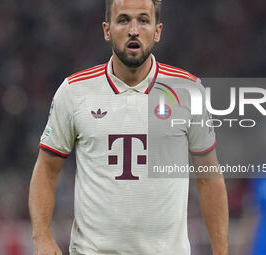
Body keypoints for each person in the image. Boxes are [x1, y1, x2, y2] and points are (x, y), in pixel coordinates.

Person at [29, 0, 229, 254]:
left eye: (143, 20)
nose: (133, 30)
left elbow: (209, 177)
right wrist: (42, 237)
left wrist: (222, 251)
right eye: (123, 20)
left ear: (157, 31)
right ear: (107, 29)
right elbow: (46, 169)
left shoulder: (188, 91)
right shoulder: (74, 91)